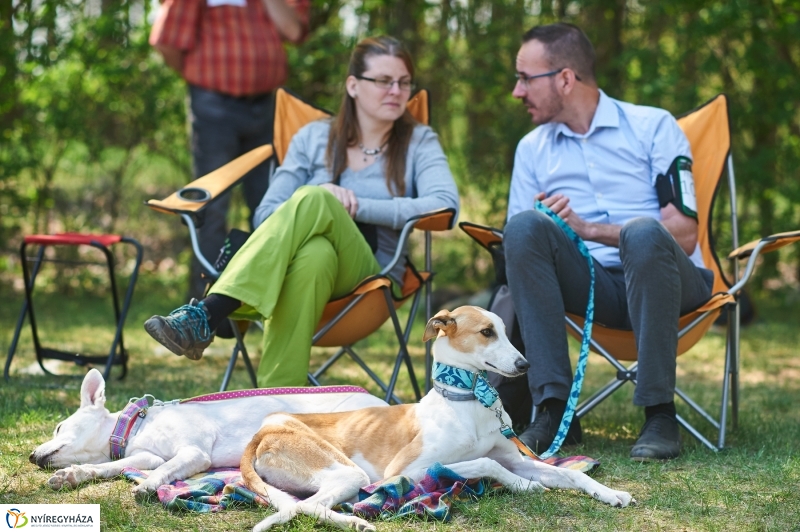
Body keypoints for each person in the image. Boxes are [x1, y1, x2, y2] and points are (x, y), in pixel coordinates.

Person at [144, 36, 460, 388]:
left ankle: (211, 311)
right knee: (314, 253)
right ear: (353, 85)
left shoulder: (419, 140)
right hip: (302, 270)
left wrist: (351, 204)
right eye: (384, 81)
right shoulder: (312, 138)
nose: (396, 91)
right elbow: (265, 214)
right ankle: (279, 402)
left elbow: (445, 204)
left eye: (404, 83)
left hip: (371, 276)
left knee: (316, 197)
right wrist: (320, 200)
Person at [503, 23, 713, 460]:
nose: (516, 92)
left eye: (526, 78)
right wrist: (551, 231)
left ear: (564, 78)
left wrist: (590, 229)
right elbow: (519, 247)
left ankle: (659, 413)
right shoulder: (531, 149)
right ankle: (554, 411)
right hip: (591, 285)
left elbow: (685, 232)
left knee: (642, 232)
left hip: (670, 283)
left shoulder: (653, 126)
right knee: (523, 227)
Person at [149, 0, 310, 299]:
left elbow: (294, 30)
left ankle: (262, 303)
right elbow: (166, 40)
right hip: (213, 105)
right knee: (210, 209)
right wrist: (199, 76)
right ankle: (204, 311)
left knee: (271, 207)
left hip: (268, 106)